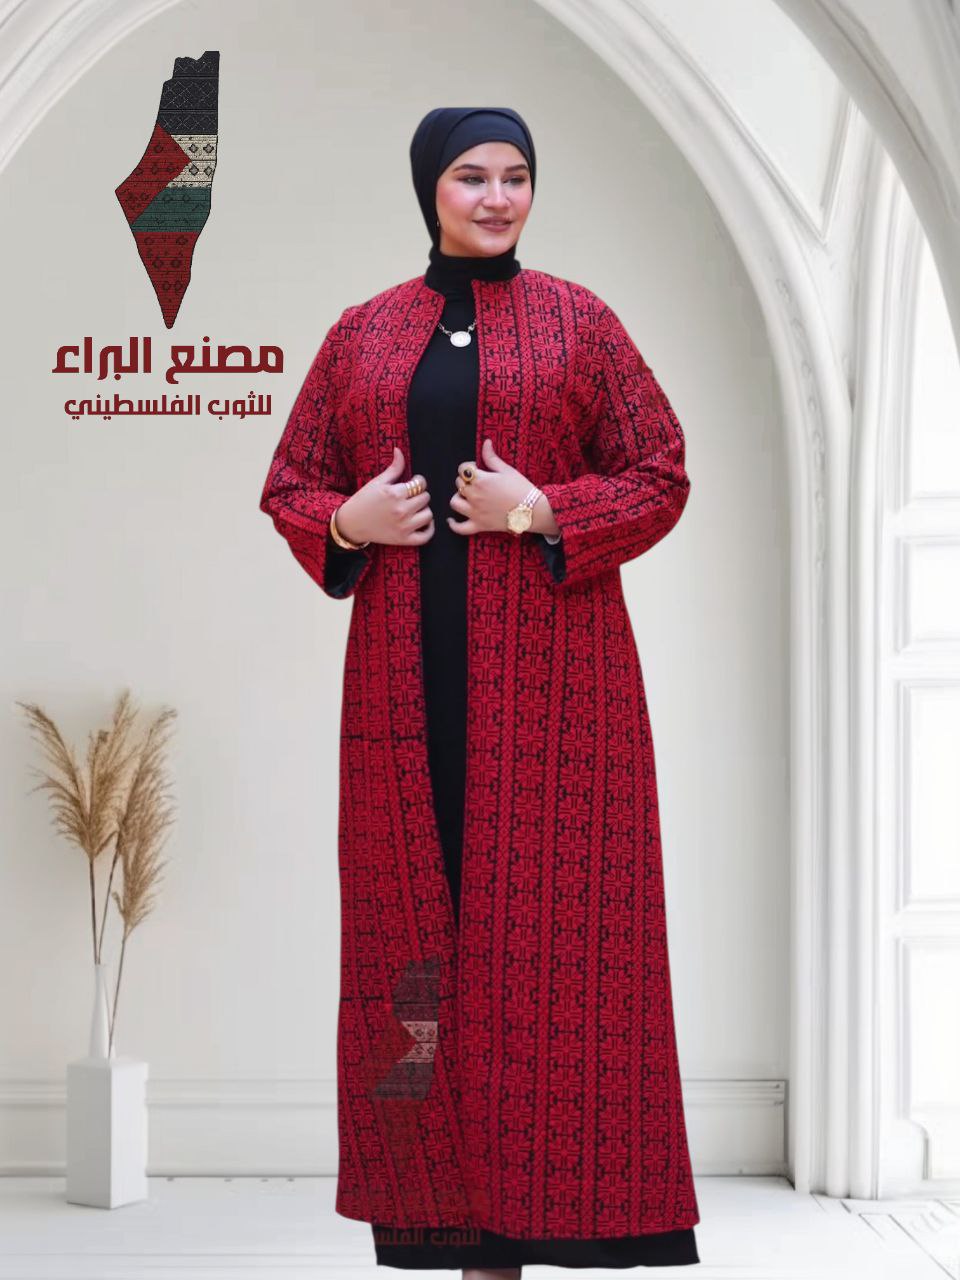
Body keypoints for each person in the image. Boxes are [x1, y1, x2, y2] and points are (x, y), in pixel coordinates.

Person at [260, 107, 701, 1276]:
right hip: (402, 698)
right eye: (472, 176)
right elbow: (293, 482)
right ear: (431, 189)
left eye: (516, 176)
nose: (498, 197)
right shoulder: (363, 334)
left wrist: (545, 509)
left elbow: (661, 467)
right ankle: (445, 1220)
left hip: (557, 697)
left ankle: (548, 1208)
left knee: (556, 950)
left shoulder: (579, 323)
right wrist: (346, 521)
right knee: (414, 958)